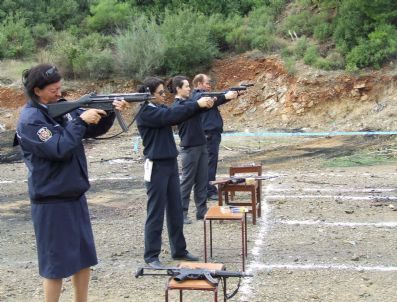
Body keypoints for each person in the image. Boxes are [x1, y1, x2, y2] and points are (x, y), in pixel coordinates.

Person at [15, 64, 128, 302]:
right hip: (51, 201)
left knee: (83, 258)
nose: (59, 93)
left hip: (74, 196)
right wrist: (81, 120)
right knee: (54, 264)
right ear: (37, 90)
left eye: (60, 88)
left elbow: (91, 130)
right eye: (54, 89)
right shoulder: (30, 120)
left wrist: (107, 112)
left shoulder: (60, 108)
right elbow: (59, 149)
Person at [136, 76, 213, 268]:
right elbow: (171, 116)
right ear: (149, 95)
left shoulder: (159, 108)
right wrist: (196, 105)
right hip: (156, 166)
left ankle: (179, 249)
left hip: (169, 163)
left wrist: (198, 106)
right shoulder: (146, 112)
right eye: (160, 93)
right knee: (155, 211)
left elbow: (176, 113)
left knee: (175, 210)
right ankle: (151, 255)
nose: (164, 95)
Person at [191, 74, 238, 200]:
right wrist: (226, 95)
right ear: (199, 84)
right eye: (207, 83)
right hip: (209, 134)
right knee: (209, 163)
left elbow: (218, 98)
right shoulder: (198, 96)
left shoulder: (206, 97)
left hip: (212, 133)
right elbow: (212, 98)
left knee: (210, 163)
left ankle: (208, 189)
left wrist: (229, 95)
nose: (209, 85)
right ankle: (209, 190)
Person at [171, 77, 210, 224]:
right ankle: (181, 213)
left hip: (201, 145)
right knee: (187, 182)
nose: (189, 89)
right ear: (178, 89)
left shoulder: (190, 104)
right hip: (189, 148)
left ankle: (201, 211)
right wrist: (199, 104)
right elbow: (191, 107)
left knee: (202, 180)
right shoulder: (177, 106)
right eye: (186, 86)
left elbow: (198, 105)